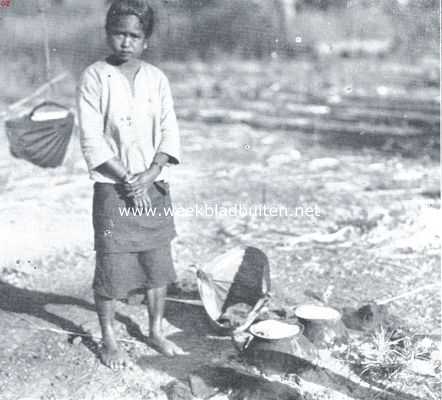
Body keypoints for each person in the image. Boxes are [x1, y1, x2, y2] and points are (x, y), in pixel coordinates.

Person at [76, 0, 185, 370]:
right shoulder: (94, 76)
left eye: (134, 36)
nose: (125, 42)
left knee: (157, 261)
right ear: (108, 34)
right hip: (113, 186)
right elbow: (91, 138)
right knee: (111, 262)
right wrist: (126, 178)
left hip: (153, 184)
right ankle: (108, 337)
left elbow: (169, 129)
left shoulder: (156, 79)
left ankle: (154, 329)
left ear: (146, 41)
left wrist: (151, 173)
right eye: (119, 33)